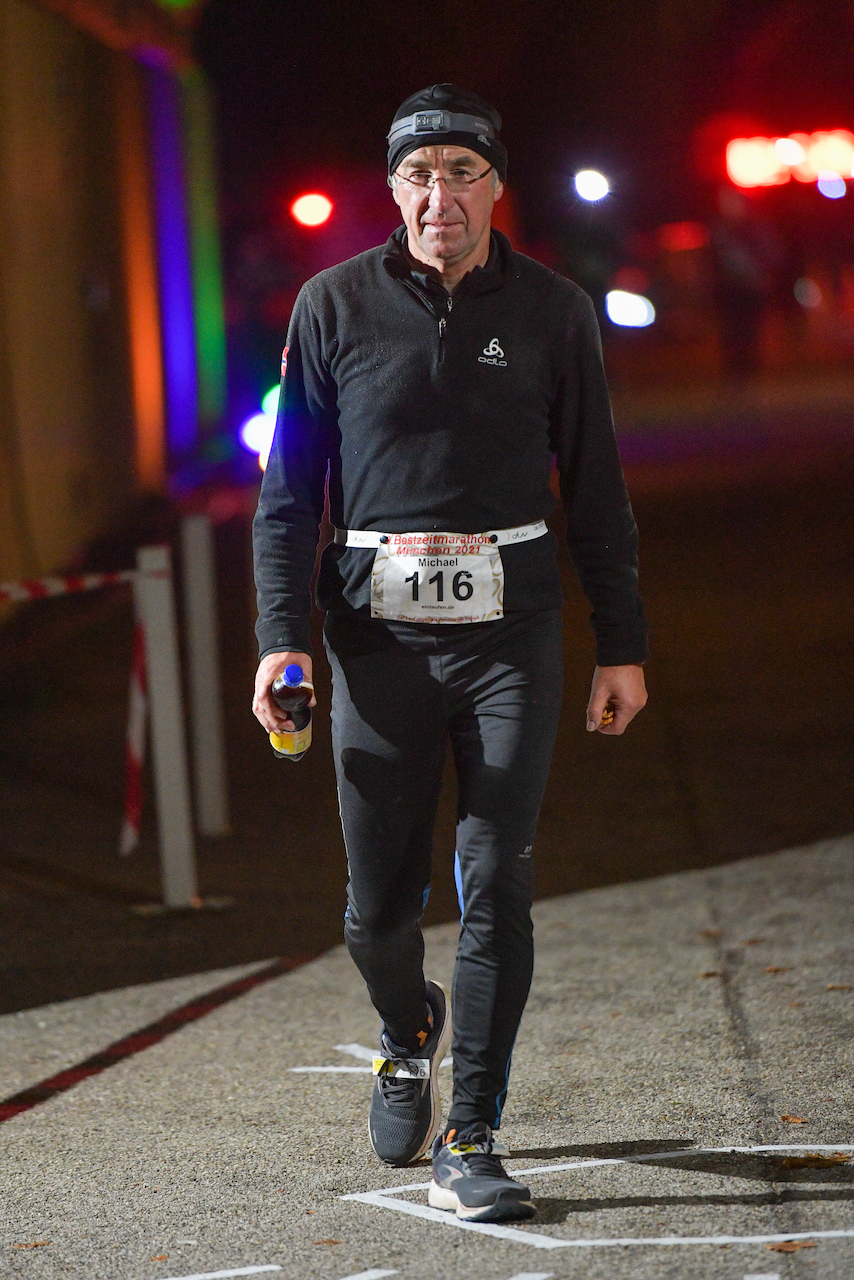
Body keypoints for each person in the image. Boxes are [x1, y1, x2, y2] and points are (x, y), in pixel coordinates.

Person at [252, 83, 648, 1224]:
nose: (440, 196)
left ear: (493, 186)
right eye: (419, 176)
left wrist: (618, 643)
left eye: (462, 173)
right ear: (393, 190)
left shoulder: (554, 311)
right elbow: (286, 501)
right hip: (374, 640)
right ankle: (402, 1025)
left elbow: (599, 492)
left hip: (510, 637)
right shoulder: (330, 309)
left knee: (496, 878)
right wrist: (282, 642)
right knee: (374, 911)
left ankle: (470, 1130)